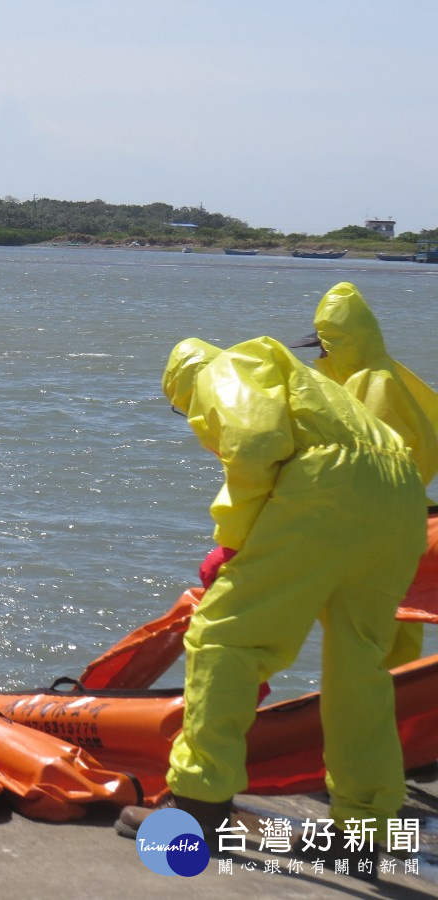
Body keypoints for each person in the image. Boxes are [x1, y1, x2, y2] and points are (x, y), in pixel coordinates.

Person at [117, 336, 427, 874]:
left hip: (333, 488)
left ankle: (198, 808)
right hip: (401, 499)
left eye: (182, 407)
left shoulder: (228, 367)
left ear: (184, 384)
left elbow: (257, 442)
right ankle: (364, 830)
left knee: (223, 638)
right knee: (360, 669)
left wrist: (233, 540)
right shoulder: (312, 386)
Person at [289, 281, 438, 667]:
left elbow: (381, 465)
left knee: (382, 631)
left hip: (386, 521)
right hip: (396, 518)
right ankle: (389, 701)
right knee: (392, 624)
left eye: (323, 347)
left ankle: (379, 703)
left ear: (341, 343)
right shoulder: (370, 376)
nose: (319, 356)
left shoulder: (374, 383)